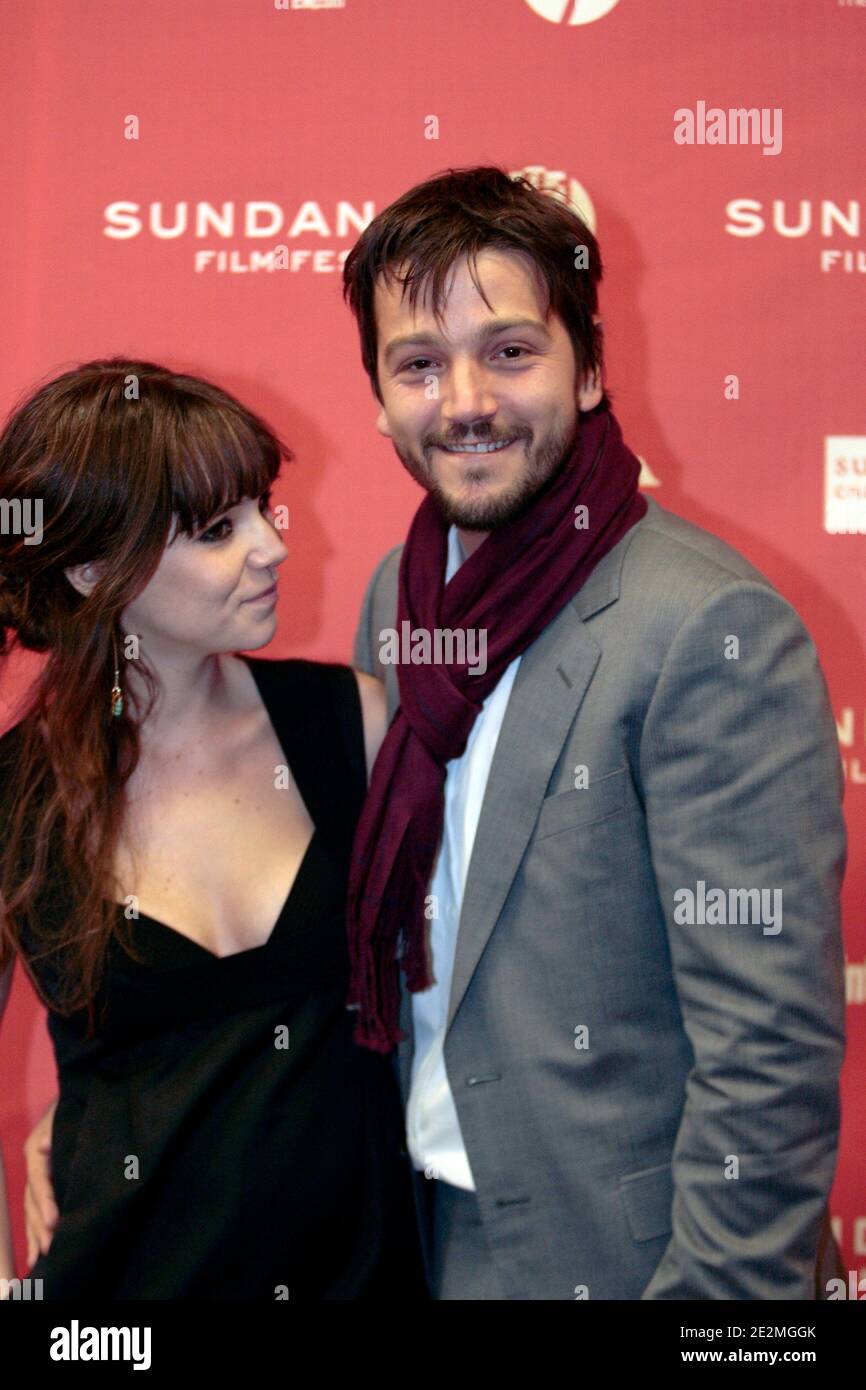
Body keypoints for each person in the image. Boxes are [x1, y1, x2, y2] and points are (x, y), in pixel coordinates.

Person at [340, 165, 847, 1299]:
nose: (463, 398)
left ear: (591, 367)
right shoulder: (398, 595)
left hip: (627, 1259)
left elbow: (767, 1051)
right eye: (417, 363)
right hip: (415, 1222)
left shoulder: (705, 626)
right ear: (376, 394)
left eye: (509, 351)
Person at [0, 359, 427, 1299]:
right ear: (93, 569)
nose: (273, 548)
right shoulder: (13, 804)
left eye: (260, 509)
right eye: (215, 531)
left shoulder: (350, 720)